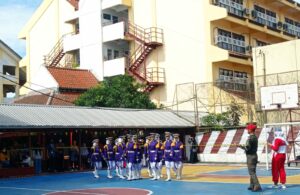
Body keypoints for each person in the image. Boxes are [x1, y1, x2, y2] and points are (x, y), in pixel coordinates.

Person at [238, 123, 262, 192]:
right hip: (254, 155)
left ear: (250, 130)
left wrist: (239, 146)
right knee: (253, 171)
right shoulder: (255, 137)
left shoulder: (250, 138)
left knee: (251, 172)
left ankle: (257, 186)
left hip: (250, 156)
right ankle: (252, 185)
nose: (247, 130)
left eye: (248, 129)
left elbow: (247, 148)